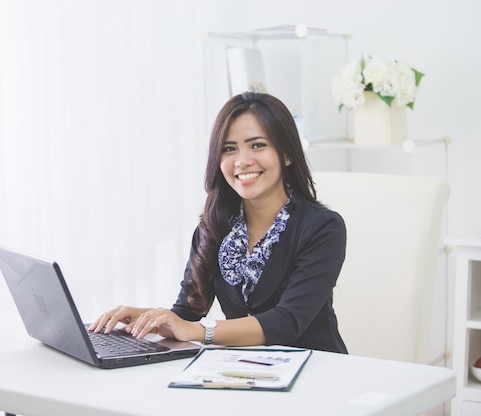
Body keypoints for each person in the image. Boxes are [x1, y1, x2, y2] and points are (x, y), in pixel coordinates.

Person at [89, 92, 347, 354]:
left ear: (288, 154)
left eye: (257, 145)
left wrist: (198, 330)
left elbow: (288, 321)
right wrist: (148, 319)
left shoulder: (323, 228)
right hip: (243, 373)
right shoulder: (213, 228)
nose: (242, 160)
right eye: (229, 149)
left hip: (316, 372)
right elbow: (188, 312)